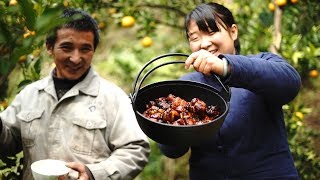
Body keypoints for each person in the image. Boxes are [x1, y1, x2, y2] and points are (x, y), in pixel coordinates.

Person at [0, 8, 150, 180]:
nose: (76, 58)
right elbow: (7, 143)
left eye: (85, 49)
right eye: (67, 47)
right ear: (49, 47)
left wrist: (94, 174)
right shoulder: (29, 95)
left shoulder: (113, 97)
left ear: (94, 50)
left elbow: (136, 150)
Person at [158, 2, 301, 179]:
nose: (204, 43)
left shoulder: (262, 62)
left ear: (233, 31)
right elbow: (172, 151)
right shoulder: (186, 86)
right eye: (194, 38)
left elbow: (290, 84)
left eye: (212, 32)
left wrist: (225, 67)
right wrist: (167, 119)